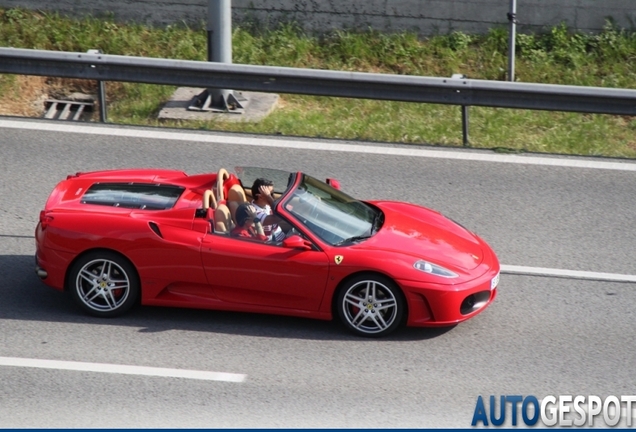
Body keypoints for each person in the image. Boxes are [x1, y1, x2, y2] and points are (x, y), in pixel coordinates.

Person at [250, 178, 287, 242]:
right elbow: (280, 216)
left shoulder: (266, 205)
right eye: (270, 194)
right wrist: (268, 197)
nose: (273, 197)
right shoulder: (255, 213)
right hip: (276, 244)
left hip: (283, 237)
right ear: (260, 197)